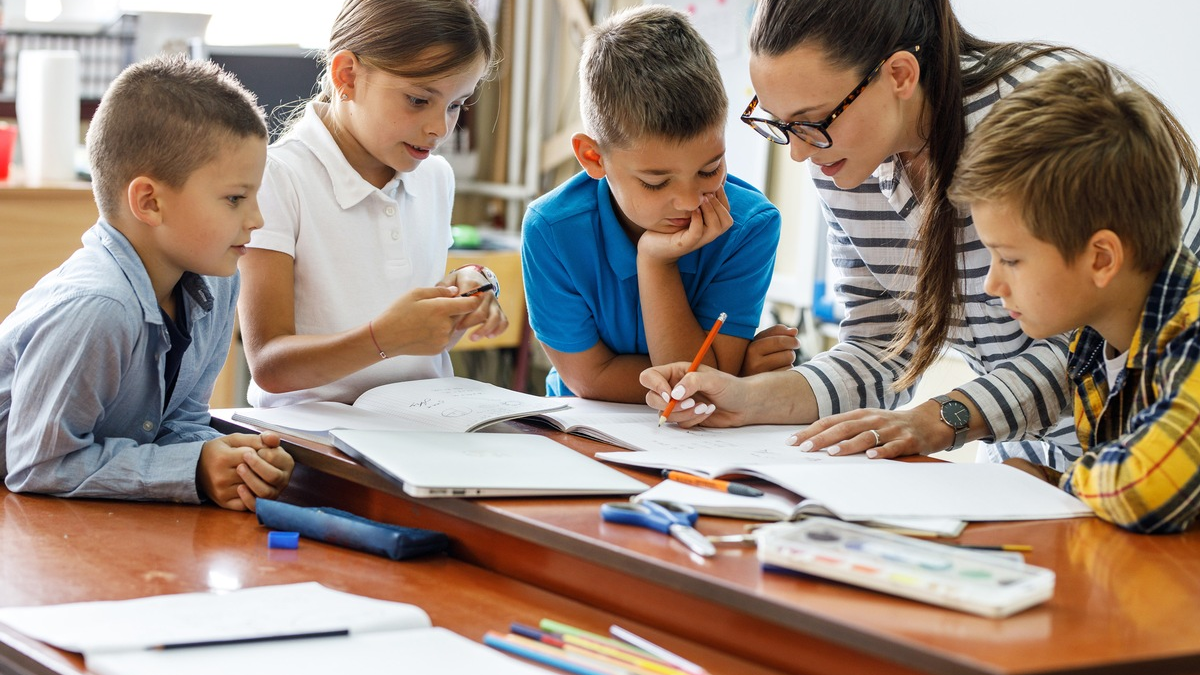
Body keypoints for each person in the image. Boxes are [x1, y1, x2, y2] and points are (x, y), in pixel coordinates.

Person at [642, 0, 1199, 470]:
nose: (800, 152)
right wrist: (748, 399)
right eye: (781, 123)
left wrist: (943, 417)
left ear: (900, 75)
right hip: (1028, 467)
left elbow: (1094, 341)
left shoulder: (1039, 125)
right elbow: (882, 347)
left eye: (813, 121)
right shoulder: (843, 160)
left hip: (1152, 449)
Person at [0, 55, 294, 511]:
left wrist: (231, 461)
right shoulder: (99, 307)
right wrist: (189, 468)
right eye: (235, 198)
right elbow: (37, 463)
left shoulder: (217, 285)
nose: (257, 219)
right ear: (150, 202)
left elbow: (181, 421)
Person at [949, 59, 1200, 533]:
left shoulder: (1193, 334)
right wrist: (1044, 480)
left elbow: (1146, 489)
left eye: (1011, 259)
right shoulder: (1093, 344)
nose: (991, 284)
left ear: (1101, 259)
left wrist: (1057, 484)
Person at [238, 0, 507, 407]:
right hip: (313, 432)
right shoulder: (277, 177)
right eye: (418, 100)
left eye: (456, 104)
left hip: (425, 419)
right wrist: (384, 338)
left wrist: (467, 284)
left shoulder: (435, 176)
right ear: (347, 76)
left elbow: (407, 301)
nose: (440, 128)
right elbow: (269, 366)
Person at [521, 5, 784, 403]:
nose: (690, 201)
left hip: (699, 435)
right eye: (656, 182)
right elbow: (589, 379)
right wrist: (732, 375)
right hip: (579, 427)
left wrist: (656, 263)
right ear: (594, 158)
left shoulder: (749, 227)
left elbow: (701, 387)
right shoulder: (551, 230)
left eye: (710, 169)